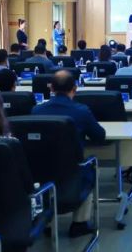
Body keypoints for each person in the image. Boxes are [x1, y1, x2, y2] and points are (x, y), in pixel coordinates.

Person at [31, 70, 103, 237]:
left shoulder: (36, 110)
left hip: (41, 173)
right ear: (74, 89)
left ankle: (46, 221)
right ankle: (79, 223)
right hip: (72, 173)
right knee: (92, 166)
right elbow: (100, 136)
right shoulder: (82, 111)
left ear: (51, 88)